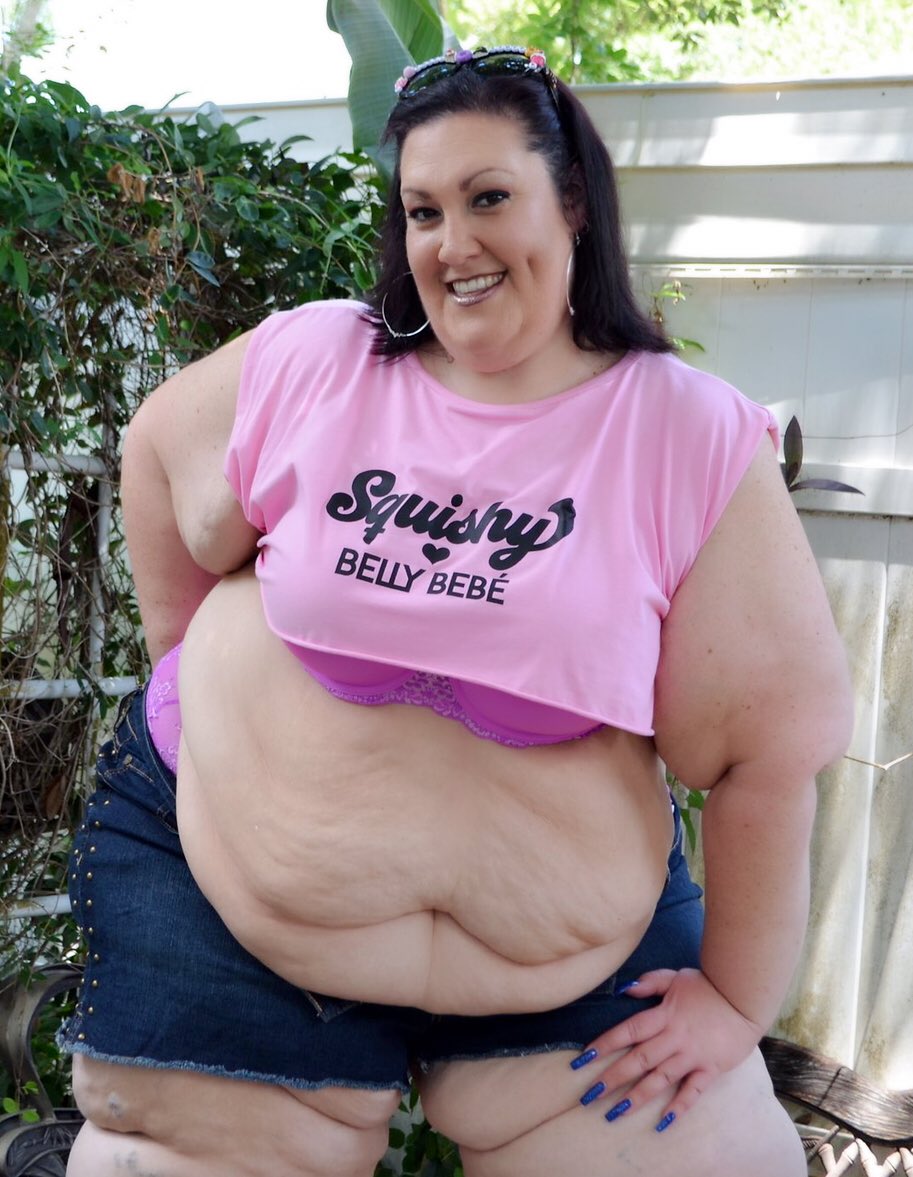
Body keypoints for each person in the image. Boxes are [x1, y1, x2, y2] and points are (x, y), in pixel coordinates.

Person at [60, 44, 853, 1177]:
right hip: (231, 911)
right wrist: (196, 681)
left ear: (572, 202)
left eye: (488, 198)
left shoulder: (687, 431)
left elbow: (771, 751)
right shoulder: (321, 357)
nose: (452, 243)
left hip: (567, 965)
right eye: (423, 210)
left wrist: (733, 1001)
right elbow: (155, 449)